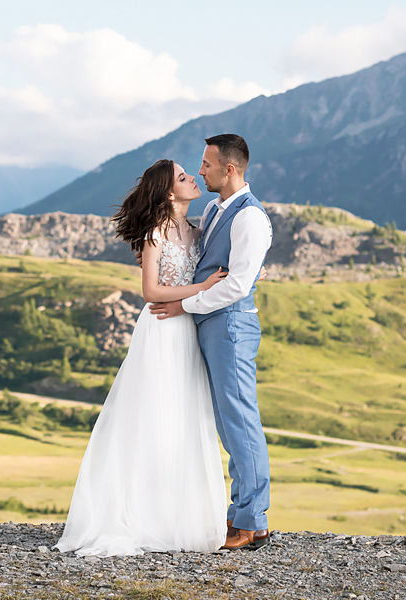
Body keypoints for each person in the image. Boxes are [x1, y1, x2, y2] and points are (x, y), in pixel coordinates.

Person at [53, 159, 229, 557]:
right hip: (161, 329)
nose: (194, 179)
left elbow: (226, 264)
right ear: (169, 192)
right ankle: (142, 516)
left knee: (185, 415)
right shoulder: (155, 234)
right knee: (154, 415)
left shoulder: (197, 230)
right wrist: (199, 287)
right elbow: (151, 291)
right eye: (184, 178)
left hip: (187, 328)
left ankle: (177, 517)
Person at [148, 133, 273, 551]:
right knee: (226, 421)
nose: (201, 170)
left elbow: (237, 284)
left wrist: (188, 306)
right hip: (213, 325)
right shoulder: (216, 209)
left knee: (239, 421)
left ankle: (251, 522)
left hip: (231, 326)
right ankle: (242, 514)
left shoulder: (249, 217)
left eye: (206, 164)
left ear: (230, 169)